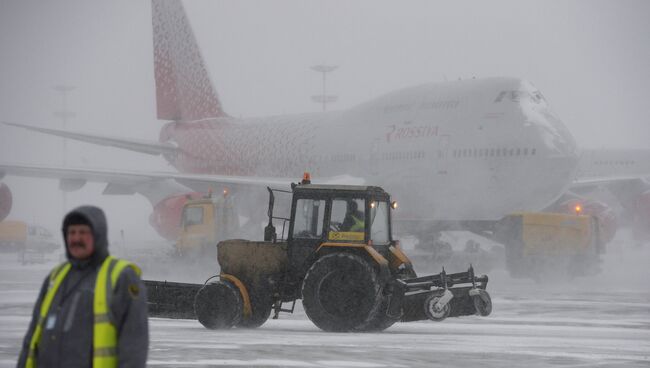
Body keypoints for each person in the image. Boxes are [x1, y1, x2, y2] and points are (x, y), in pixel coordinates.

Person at [17, 206, 148, 368]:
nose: (76, 238)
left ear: (98, 235)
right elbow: (32, 338)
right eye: (71, 233)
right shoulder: (56, 277)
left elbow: (134, 345)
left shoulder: (121, 277)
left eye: (83, 232)